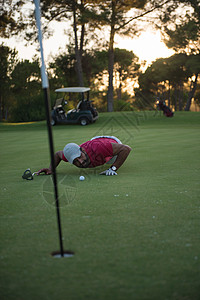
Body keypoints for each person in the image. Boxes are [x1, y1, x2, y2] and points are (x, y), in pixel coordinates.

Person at [36, 135, 131, 176]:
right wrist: (51, 169)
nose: (80, 162)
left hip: (111, 142)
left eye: (80, 157)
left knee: (110, 160)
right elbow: (57, 154)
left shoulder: (99, 148)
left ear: (82, 150)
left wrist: (113, 168)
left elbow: (126, 149)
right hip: (95, 141)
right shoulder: (68, 155)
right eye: (75, 161)